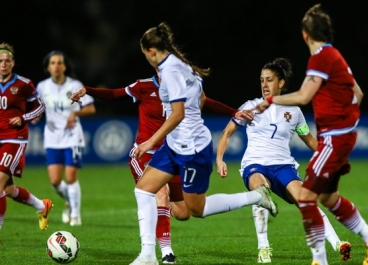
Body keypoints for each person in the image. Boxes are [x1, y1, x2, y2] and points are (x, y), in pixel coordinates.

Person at [125, 22, 277, 265]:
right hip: (175, 145)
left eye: (145, 54)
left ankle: (256, 197)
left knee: (196, 209)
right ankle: (147, 255)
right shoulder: (181, 65)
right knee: (144, 189)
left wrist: (149, 142)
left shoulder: (172, 71)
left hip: (192, 150)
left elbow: (178, 114)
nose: (146, 59)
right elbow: (202, 98)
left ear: (151, 52)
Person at [254, 4, 368, 265]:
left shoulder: (321, 58)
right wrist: (345, 118)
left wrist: (271, 102)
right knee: (328, 197)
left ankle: (319, 260)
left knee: (304, 196)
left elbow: (304, 96)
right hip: (342, 135)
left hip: (334, 138)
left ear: (305, 35)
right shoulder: (336, 56)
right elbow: (357, 94)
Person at [70, 76, 242, 264]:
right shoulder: (143, 86)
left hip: (172, 153)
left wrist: (234, 112)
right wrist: (89, 90)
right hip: (145, 154)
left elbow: (205, 101)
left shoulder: (180, 85)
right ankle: (165, 253)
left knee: (183, 213)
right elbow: (113, 94)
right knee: (161, 193)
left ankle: (158, 216)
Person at [217, 57, 351, 264]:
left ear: (280, 83)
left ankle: (338, 244)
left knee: (305, 200)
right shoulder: (250, 107)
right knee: (260, 192)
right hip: (255, 165)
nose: (264, 84)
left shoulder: (294, 112)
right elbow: (226, 133)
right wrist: (219, 159)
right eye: (262, 80)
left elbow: (309, 139)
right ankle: (263, 249)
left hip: (283, 166)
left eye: (269, 80)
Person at [33, 50, 96, 227]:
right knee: (54, 182)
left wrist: (75, 112)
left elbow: (91, 108)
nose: (56, 66)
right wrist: (35, 116)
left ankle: (75, 215)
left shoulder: (75, 85)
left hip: (72, 137)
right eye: (52, 63)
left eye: (59, 62)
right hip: (52, 137)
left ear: (65, 66)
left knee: (70, 178)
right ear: (48, 67)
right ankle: (70, 201)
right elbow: (36, 108)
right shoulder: (42, 87)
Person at [0, 42, 53, 232]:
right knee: (8, 191)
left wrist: (23, 118)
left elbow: (40, 107)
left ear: (13, 63)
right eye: (0, 61)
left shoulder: (23, 84)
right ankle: (42, 206)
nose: (3, 64)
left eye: (7, 61)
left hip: (14, 138)